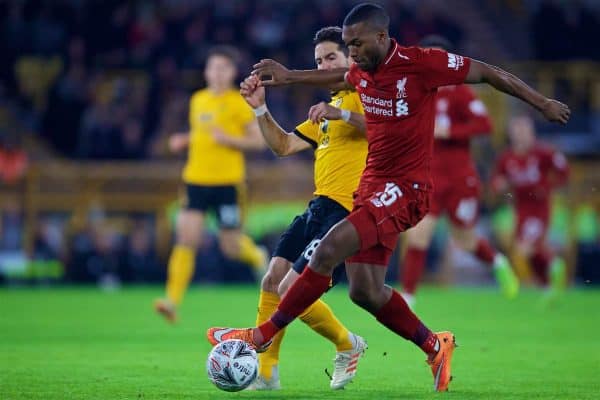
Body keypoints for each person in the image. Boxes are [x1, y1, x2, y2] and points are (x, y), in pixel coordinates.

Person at [207, 3, 570, 392]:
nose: (354, 53)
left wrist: (542, 103)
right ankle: (435, 345)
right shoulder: (361, 72)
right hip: (373, 187)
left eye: (357, 44)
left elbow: (489, 73)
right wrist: (288, 76)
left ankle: (260, 337)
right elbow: (336, 77)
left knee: (329, 249)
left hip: (407, 187)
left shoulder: (421, 64)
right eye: (348, 45)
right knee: (364, 290)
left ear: (382, 37)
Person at [239, 26, 369, 390]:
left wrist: (339, 115)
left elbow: (384, 129)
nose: (323, 65)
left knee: (290, 288)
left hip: (346, 213)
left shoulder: (365, 94)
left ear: (349, 60)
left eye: (331, 58)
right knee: (271, 279)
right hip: (317, 207)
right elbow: (282, 145)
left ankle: (347, 343)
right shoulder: (327, 111)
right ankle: (266, 375)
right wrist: (260, 109)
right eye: (318, 60)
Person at [399, 35, 519, 308]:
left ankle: (498, 261)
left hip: (460, 178)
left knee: (464, 239)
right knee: (418, 234)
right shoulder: (417, 93)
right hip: (428, 178)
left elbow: (484, 125)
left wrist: (450, 131)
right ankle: (407, 297)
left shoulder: (461, 92)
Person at [154, 46, 267, 323]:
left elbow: (258, 141)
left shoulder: (239, 103)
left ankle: (257, 255)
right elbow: (204, 134)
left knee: (230, 246)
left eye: (222, 68)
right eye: (212, 67)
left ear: (231, 73)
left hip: (227, 183)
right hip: (195, 180)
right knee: (186, 239)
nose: (216, 73)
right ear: (205, 71)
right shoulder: (198, 100)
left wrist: (228, 140)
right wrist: (186, 139)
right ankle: (172, 301)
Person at [492, 115, 569, 297]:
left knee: (522, 249)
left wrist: (547, 187)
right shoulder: (507, 158)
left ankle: (537, 280)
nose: (521, 135)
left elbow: (563, 172)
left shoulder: (544, 153)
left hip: (539, 208)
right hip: (521, 209)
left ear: (531, 132)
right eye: (517, 131)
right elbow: (496, 180)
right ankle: (550, 276)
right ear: (511, 134)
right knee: (529, 249)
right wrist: (501, 185)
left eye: (524, 131)